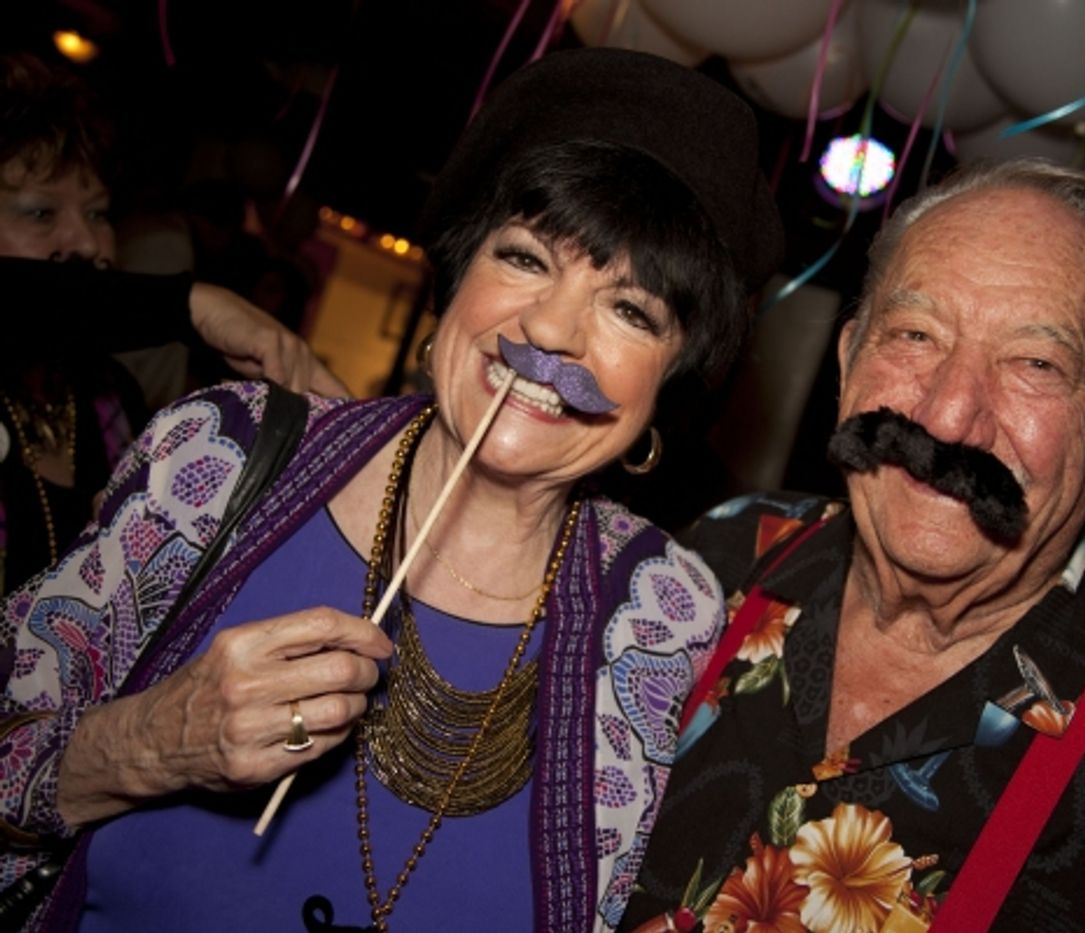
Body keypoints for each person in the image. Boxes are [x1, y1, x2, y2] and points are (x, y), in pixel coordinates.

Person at [0, 47, 783, 932]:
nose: (553, 331)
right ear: (455, 276)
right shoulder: (217, 462)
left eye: (632, 311)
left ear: (665, 392)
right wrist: (143, 743)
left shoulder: (667, 620)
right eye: (525, 259)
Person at [623, 160, 1085, 931]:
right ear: (849, 362)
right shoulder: (717, 558)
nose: (950, 417)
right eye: (916, 334)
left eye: (1035, 364)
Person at [1, 52, 345, 595]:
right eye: (40, 213)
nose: (88, 243)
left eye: (96, 213)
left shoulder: (108, 396)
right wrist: (191, 304)